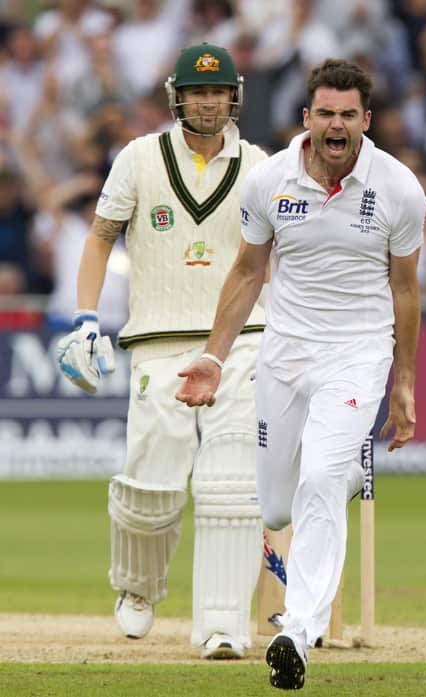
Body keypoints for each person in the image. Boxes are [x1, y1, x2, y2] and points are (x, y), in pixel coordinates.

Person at [176, 58, 426, 689]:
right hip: (284, 353)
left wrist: (403, 382)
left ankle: (298, 630)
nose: (336, 127)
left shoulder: (398, 188)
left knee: (317, 477)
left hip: (357, 354)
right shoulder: (270, 181)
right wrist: (214, 355)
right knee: (279, 506)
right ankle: (343, 474)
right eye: (326, 114)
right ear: (306, 117)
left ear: (366, 120)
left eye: (349, 115)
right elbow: (246, 272)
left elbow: (405, 290)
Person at [56, 43, 268, 659]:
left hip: (239, 342)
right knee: (151, 485)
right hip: (157, 340)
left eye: (219, 91)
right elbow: (100, 238)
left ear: (235, 96)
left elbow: (277, 253)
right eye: (199, 91)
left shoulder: (258, 165)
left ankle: (224, 625)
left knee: (232, 486)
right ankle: (139, 587)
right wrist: (86, 318)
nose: (209, 101)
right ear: (179, 95)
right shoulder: (138, 158)